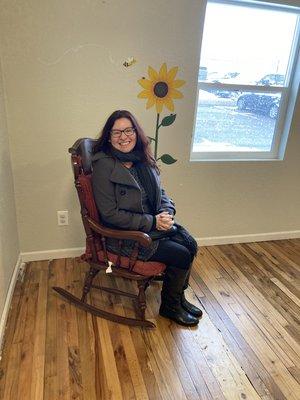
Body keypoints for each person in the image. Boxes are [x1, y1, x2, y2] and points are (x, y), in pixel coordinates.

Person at [92, 110, 202, 327]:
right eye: (116, 133)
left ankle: (178, 298)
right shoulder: (104, 167)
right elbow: (110, 215)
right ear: (108, 137)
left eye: (128, 130)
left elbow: (161, 193)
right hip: (128, 237)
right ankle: (169, 307)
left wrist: (166, 213)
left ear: (136, 132)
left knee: (190, 244)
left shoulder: (142, 159)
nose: (123, 137)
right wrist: (153, 222)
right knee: (180, 255)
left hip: (152, 226)